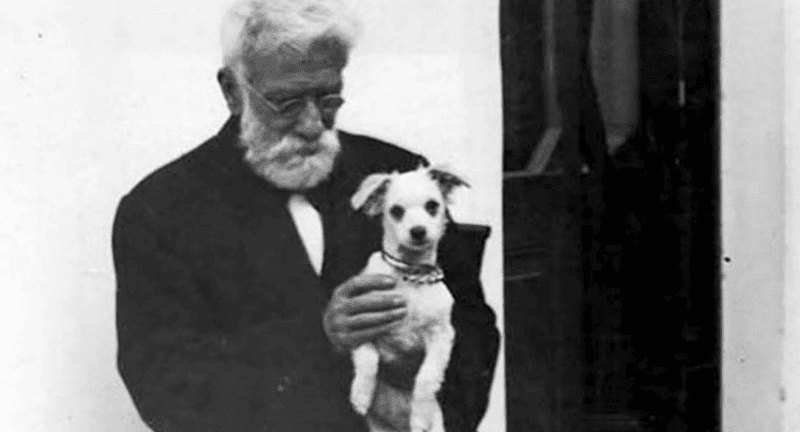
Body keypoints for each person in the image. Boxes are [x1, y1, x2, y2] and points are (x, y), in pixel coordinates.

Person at [111, 0, 499, 431]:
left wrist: (434, 421)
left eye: (328, 97)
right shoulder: (161, 210)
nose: (313, 124)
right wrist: (320, 338)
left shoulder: (398, 176)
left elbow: (472, 329)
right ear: (232, 91)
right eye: (286, 102)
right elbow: (164, 384)